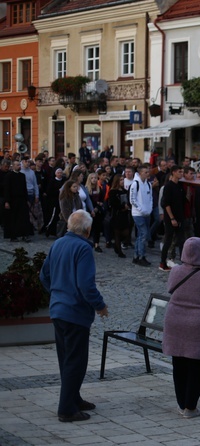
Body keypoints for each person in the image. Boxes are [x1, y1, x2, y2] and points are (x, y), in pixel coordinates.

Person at [39, 210, 109, 422]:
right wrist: (100, 305)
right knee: (75, 361)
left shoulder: (58, 244)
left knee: (66, 359)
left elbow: (44, 276)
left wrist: (57, 293)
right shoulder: (83, 248)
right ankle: (66, 409)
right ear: (87, 230)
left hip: (59, 310)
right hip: (74, 312)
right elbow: (86, 285)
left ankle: (73, 398)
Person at [162, 237, 200, 419]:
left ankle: (182, 404)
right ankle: (191, 407)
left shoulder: (176, 271)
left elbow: (169, 288)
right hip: (199, 325)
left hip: (175, 322)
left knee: (179, 364)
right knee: (197, 365)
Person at [159, 166, 186, 272]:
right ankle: (162, 262)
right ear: (173, 172)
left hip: (180, 217)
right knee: (168, 240)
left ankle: (184, 263)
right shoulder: (168, 186)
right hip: (171, 218)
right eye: (180, 171)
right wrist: (172, 218)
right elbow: (166, 204)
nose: (181, 173)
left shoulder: (179, 186)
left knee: (181, 240)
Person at [129, 164, 153, 267]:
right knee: (144, 234)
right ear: (140, 173)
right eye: (145, 172)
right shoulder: (135, 184)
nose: (148, 174)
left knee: (141, 235)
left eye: (148, 172)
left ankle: (136, 256)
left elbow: (150, 197)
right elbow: (132, 200)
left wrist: (149, 208)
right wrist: (141, 209)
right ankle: (141, 256)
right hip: (138, 214)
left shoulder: (148, 184)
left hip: (147, 213)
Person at [3, 160, 32, 242]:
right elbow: (7, 189)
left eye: (19, 165)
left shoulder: (22, 175)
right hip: (12, 200)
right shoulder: (9, 176)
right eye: (17, 165)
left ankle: (25, 234)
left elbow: (24, 188)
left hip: (22, 199)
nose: (19, 166)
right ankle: (13, 236)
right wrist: (7, 201)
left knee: (24, 218)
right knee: (13, 218)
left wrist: (27, 199)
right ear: (13, 166)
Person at [108, 174, 131, 258]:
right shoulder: (113, 191)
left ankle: (117, 245)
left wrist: (127, 206)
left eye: (123, 180)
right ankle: (119, 251)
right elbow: (113, 204)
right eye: (120, 180)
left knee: (126, 233)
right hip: (117, 214)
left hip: (124, 214)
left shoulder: (124, 190)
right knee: (117, 233)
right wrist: (122, 207)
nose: (122, 181)